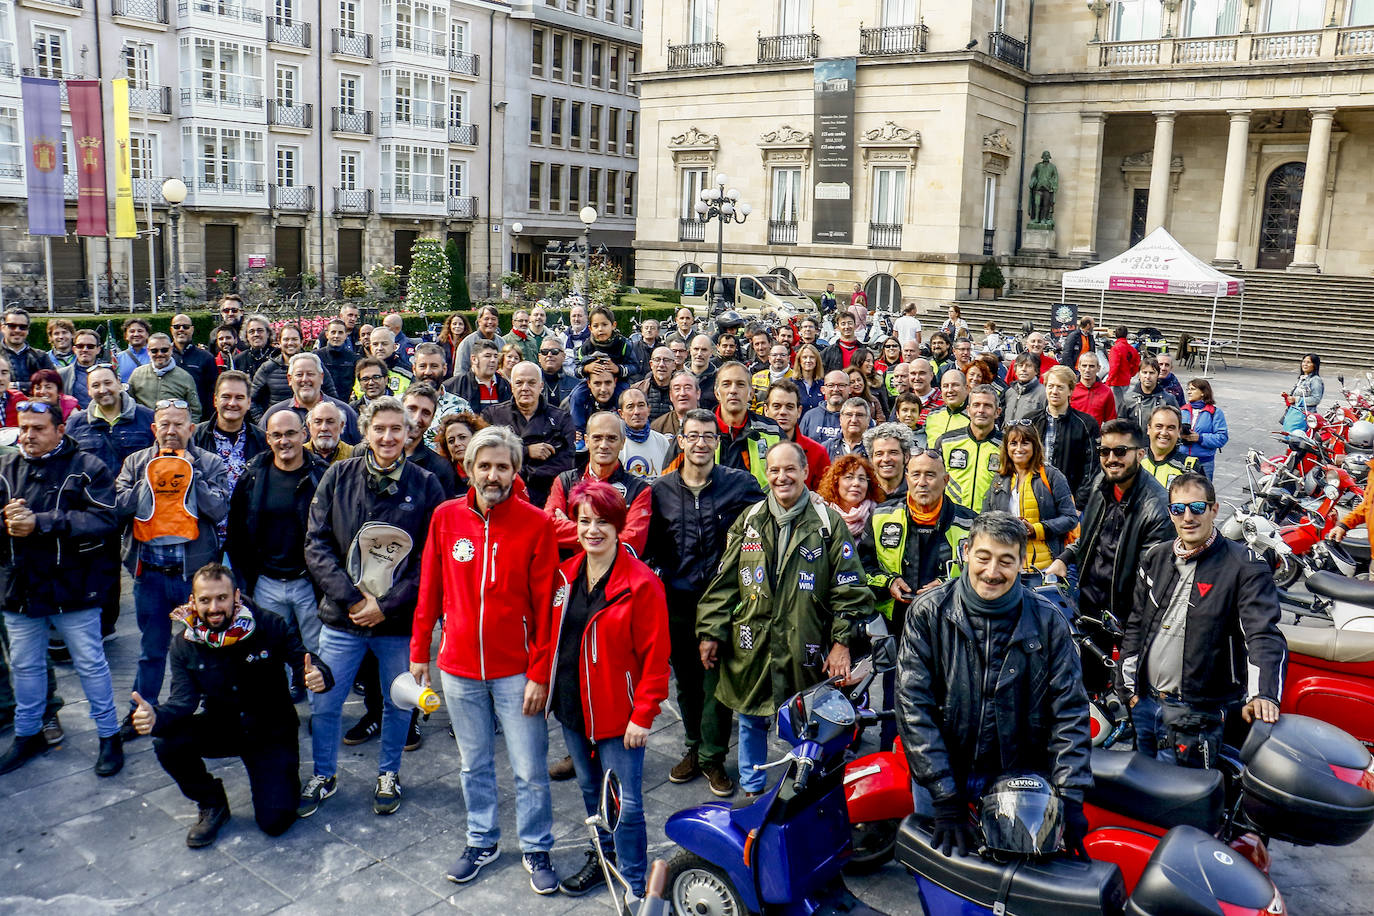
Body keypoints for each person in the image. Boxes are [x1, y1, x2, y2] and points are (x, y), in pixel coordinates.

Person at [408, 426, 560, 892]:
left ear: (515, 471)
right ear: (469, 469)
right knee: (473, 764)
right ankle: (482, 839)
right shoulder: (444, 517)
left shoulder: (537, 524)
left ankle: (536, 847)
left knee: (530, 767)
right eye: (484, 466)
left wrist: (539, 673)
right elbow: (429, 587)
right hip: (458, 669)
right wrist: (420, 653)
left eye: (502, 466)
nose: (493, 474)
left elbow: (546, 609)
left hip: (516, 671)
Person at [895, 512, 1092, 858]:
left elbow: (1070, 713)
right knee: (940, 880)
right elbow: (913, 706)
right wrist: (944, 794)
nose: (992, 572)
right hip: (942, 779)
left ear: (1022, 562)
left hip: (1016, 784)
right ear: (966, 552)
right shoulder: (928, 612)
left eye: (1005, 561)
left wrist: (1071, 796)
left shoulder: (1049, 620)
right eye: (983, 557)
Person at [698, 441, 872, 795]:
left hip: (804, 647)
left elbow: (850, 589)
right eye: (774, 470)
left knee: (806, 724)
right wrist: (710, 631)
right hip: (753, 647)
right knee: (750, 719)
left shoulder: (827, 523)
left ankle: (800, 791)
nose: (782, 477)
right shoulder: (750, 520)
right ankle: (752, 789)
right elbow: (725, 582)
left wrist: (841, 644)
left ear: (806, 472)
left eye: (790, 469)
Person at [300, 397, 444, 818]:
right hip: (341, 619)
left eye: (396, 429)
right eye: (379, 429)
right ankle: (324, 774)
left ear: (408, 433)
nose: (387, 437)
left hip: (396, 623)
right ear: (364, 432)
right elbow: (317, 543)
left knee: (398, 702)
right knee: (324, 702)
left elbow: (429, 559)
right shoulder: (338, 475)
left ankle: (389, 773)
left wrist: (386, 604)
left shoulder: (425, 483)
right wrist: (353, 599)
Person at [134, 563, 332, 847]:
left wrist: (317, 675)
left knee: (276, 822)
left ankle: (280, 777)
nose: (214, 607)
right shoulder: (184, 643)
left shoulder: (270, 624)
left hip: (270, 732)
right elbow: (182, 702)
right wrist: (156, 717)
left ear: (236, 597)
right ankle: (212, 802)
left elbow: (304, 661)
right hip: (222, 726)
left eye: (221, 598)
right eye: (205, 600)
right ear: (193, 601)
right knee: (167, 741)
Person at [546, 480, 670, 901]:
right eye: (584, 521)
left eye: (602, 522)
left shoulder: (641, 583)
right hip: (573, 706)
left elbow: (656, 658)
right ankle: (604, 859)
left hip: (620, 712)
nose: (592, 530)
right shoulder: (565, 574)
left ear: (619, 527)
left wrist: (644, 714)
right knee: (588, 790)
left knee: (627, 802)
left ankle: (634, 882)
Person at [1122, 473, 1287, 768]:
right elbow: (1136, 623)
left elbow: (1262, 633)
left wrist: (1264, 694)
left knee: (1183, 804)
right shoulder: (1156, 558)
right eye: (1178, 509)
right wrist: (1128, 688)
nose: (1188, 517)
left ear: (1214, 509)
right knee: (1141, 801)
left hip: (1197, 713)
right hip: (1146, 705)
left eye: (1197, 508)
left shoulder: (1245, 566)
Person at [0, 400, 123, 777]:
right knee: (25, 666)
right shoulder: (4, 467)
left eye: (38, 428)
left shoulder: (87, 467)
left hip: (74, 586)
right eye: (24, 428)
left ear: (60, 429)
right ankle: (28, 733)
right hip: (19, 588)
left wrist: (42, 522)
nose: (29, 435)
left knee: (90, 664)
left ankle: (109, 736)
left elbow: (106, 518)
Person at [645, 410, 762, 797]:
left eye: (707, 436)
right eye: (692, 435)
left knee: (718, 677)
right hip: (677, 597)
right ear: (680, 441)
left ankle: (713, 756)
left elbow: (765, 520)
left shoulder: (739, 485)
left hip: (724, 597)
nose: (700, 443)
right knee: (687, 678)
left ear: (717, 441)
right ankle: (693, 747)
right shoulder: (659, 490)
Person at [116, 398, 231, 738]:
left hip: (192, 579)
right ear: (154, 428)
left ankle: (214, 708)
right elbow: (118, 506)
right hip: (149, 575)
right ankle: (141, 709)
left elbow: (219, 509)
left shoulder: (208, 462)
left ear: (191, 428)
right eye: (164, 424)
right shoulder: (136, 462)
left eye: (178, 424)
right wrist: (153, 477)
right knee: (152, 649)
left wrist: (189, 474)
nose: (170, 431)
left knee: (207, 645)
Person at [860, 448, 976, 751]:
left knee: (946, 696)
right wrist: (888, 582)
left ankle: (943, 757)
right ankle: (891, 752)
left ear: (945, 480)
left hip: (951, 625)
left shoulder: (969, 523)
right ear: (907, 477)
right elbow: (862, 567)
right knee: (895, 693)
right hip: (896, 623)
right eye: (916, 474)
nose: (922, 482)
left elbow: (981, 574)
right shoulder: (883, 515)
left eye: (930, 475)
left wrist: (949, 583)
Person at [1045, 419, 1174, 625]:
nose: (1111, 459)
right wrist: (1064, 558)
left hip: (1126, 616)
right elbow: (1088, 537)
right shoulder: (1100, 483)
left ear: (1140, 454)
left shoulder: (1158, 509)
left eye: (1120, 451)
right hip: (1088, 603)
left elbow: (1151, 578)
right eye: (1104, 451)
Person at [227, 409, 329, 659]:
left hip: (309, 581)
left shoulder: (322, 475)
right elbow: (236, 532)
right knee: (270, 650)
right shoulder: (252, 476)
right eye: (277, 435)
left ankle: (317, 692)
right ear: (268, 439)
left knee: (317, 649)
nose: (284, 441)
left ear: (304, 434)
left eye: (291, 433)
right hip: (266, 581)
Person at [985, 425, 1078, 578]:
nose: (1019, 448)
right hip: (1007, 567)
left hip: (1046, 569)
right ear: (1006, 448)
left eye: (1025, 443)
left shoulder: (1052, 476)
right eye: (1013, 443)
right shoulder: (999, 479)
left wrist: (1036, 529)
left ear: (1035, 445)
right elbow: (986, 519)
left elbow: (1070, 518)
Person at [483, 361, 576, 507]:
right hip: (503, 497)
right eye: (519, 383)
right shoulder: (492, 416)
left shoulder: (561, 418)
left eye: (531, 383)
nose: (525, 388)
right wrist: (526, 451)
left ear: (541, 385)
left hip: (547, 498)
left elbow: (565, 464)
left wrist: (522, 471)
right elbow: (488, 456)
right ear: (512, 386)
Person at [191, 371, 269, 512]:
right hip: (205, 526)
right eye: (226, 397)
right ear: (215, 400)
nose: (232, 403)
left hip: (247, 526)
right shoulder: (194, 437)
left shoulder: (262, 440)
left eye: (239, 398)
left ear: (249, 402)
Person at [706, 361, 784, 490]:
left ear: (751, 393)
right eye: (726, 384)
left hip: (760, 508)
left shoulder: (772, 431)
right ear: (716, 393)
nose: (733, 390)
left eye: (740, 384)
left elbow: (790, 477)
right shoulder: (696, 432)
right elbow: (673, 482)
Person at [1029, 365, 1100, 505]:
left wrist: (1079, 503)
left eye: (1060, 387)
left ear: (1071, 391)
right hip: (1032, 496)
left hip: (1068, 500)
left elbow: (1092, 467)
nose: (1054, 391)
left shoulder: (1085, 424)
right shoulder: (1031, 421)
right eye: (1050, 386)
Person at [265, 352, 362, 445]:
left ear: (321, 377)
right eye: (299, 375)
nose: (305, 379)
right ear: (290, 379)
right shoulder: (275, 414)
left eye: (310, 374)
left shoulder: (344, 412)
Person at [935, 385, 1003, 513]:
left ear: (997, 412)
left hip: (991, 519)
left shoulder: (1007, 446)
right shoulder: (946, 441)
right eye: (976, 405)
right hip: (952, 517)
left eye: (987, 406)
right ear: (968, 410)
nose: (981, 410)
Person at [251, 325, 336, 421]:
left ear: (301, 342)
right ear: (279, 342)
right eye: (286, 339)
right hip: (281, 426)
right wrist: (263, 421)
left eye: (294, 339)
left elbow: (331, 395)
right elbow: (252, 399)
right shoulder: (268, 368)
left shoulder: (315, 365)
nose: (290, 343)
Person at [762, 378, 830, 488]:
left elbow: (827, 494)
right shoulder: (751, 447)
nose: (783, 412)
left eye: (789, 407)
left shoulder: (817, 453)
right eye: (776, 406)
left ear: (799, 411)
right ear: (766, 410)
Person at [398, 385, 459, 495]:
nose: (417, 418)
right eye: (411, 409)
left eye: (425, 413)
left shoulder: (440, 468)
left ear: (432, 419)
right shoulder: (367, 453)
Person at [127, 334, 202, 422]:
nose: (160, 354)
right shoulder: (137, 374)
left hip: (172, 431)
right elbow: (128, 404)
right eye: (154, 351)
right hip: (143, 431)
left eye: (164, 350)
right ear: (148, 351)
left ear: (171, 349)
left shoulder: (185, 377)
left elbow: (195, 411)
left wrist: (186, 431)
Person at [409, 343, 471, 449]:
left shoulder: (460, 406)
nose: (428, 372)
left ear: (445, 369)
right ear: (414, 369)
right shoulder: (398, 405)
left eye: (434, 366)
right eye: (422, 366)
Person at [818, 454, 885, 538]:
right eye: (849, 477)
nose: (856, 483)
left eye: (862, 479)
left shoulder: (879, 515)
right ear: (836, 482)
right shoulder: (823, 515)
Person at [446, 338, 512, 415]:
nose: (493, 360)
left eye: (495, 356)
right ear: (474, 359)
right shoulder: (455, 386)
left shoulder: (505, 386)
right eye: (487, 356)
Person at [618, 387, 672, 481]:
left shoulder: (662, 441)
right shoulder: (617, 444)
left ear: (648, 409)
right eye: (630, 407)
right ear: (621, 413)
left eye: (641, 405)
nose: (637, 412)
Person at [1179, 378, 1229, 480]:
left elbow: (1222, 437)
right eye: (1188, 389)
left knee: (1202, 493)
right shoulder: (1182, 410)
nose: (1189, 392)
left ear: (1202, 392)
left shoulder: (1215, 412)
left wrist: (1200, 438)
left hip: (1204, 462)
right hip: (1181, 460)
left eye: (1193, 389)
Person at [169, 315, 217, 416]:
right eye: (177, 327)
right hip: (170, 416)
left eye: (185, 327)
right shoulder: (164, 356)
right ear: (171, 329)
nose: (181, 330)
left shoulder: (206, 357)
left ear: (192, 329)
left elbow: (212, 392)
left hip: (199, 417)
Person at [434, 412, 488, 496]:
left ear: (476, 438)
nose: (457, 443)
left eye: (462, 437)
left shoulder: (491, 471)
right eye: (451, 441)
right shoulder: (444, 477)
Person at [1123, 354, 1179, 431]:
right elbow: (1120, 428)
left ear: (1158, 374)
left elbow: (1176, 426)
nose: (1148, 376)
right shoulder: (1127, 400)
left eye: (1152, 373)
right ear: (1139, 374)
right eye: (1144, 372)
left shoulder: (1168, 399)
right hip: (1134, 442)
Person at [1142, 404, 1193, 485]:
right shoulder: (1135, 461)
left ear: (1179, 431)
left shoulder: (1190, 467)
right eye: (1159, 426)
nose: (1164, 433)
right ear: (1149, 429)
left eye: (1170, 428)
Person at [864, 421, 916, 500]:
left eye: (893, 453)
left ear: (906, 457)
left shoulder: (917, 490)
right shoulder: (862, 491)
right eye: (879, 454)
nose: (886, 459)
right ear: (871, 459)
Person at [799, 370, 851, 443]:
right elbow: (799, 447)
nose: (835, 389)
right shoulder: (810, 416)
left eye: (841, 385)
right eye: (830, 385)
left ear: (850, 389)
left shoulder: (858, 417)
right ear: (823, 390)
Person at [362, 327, 415, 398]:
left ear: (394, 347)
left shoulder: (407, 373)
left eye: (384, 344)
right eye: (375, 344)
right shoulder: (362, 372)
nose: (379, 348)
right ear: (371, 347)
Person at [58, 328, 103, 410]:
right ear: (74, 349)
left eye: (90, 346)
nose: (85, 350)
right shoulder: (62, 375)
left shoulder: (108, 373)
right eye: (80, 346)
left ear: (98, 349)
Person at [924, 368, 970, 445]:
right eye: (945, 386)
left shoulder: (974, 418)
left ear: (966, 388)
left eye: (955, 385)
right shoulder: (932, 415)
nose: (950, 390)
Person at [650, 371, 700, 440]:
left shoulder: (709, 424)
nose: (682, 393)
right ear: (670, 395)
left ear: (698, 393)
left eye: (687, 388)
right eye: (677, 389)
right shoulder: (657, 427)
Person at [317, 318, 359, 397]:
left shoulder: (354, 358)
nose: (336, 336)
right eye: (333, 332)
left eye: (340, 333)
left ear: (345, 335)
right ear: (327, 335)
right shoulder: (316, 356)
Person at [1282, 353, 1324, 433]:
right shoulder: (1302, 378)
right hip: (1294, 413)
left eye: (1308, 362)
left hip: (1303, 416)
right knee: (1289, 437)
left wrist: (1296, 399)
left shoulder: (1315, 380)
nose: (1305, 364)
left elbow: (1316, 399)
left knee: (1296, 437)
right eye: (1304, 362)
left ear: (1314, 365)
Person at [1070, 352, 1115, 426]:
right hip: (1072, 434)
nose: (1087, 370)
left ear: (1098, 368)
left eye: (1091, 366)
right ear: (1078, 367)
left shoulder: (1106, 391)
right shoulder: (1070, 389)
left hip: (1095, 436)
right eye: (1084, 366)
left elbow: (1110, 420)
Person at [1003, 352, 1048, 424]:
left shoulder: (1044, 394)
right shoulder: (1009, 392)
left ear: (1036, 370)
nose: (1023, 369)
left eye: (1029, 366)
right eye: (1020, 366)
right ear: (1015, 370)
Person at [305, 400, 355, 465]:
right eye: (318, 422)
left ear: (341, 426)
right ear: (309, 426)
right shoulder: (299, 454)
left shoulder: (353, 454)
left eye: (330, 422)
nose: (324, 428)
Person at [633, 346, 675, 421]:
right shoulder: (637, 389)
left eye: (666, 360)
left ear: (674, 365)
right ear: (651, 364)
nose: (661, 364)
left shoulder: (680, 391)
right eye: (657, 360)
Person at [1105, 326, 1141, 413]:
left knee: (1117, 406)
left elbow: (1114, 367)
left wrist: (1108, 381)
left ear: (1116, 335)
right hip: (1126, 379)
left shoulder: (1116, 349)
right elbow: (1137, 363)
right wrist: (1130, 374)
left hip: (1116, 381)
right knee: (1123, 403)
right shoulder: (1132, 349)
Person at [750, 343, 793, 408]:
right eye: (774, 355)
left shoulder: (796, 378)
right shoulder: (756, 377)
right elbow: (751, 403)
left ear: (788, 358)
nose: (778, 358)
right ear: (769, 358)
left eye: (782, 355)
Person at [538, 338, 578, 406]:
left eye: (554, 351)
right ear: (539, 357)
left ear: (563, 356)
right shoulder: (532, 384)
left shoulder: (576, 385)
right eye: (544, 352)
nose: (549, 355)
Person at [239, 315, 279, 381]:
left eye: (260, 330)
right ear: (247, 336)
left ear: (268, 333)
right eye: (251, 331)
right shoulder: (239, 359)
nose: (256, 334)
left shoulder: (278, 355)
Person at [113, 317, 151, 384]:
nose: (136, 334)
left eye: (140, 331)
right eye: (132, 331)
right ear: (126, 336)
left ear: (147, 334)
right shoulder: (117, 358)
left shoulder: (155, 356)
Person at [793, 343, 826, 413]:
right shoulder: (790, 384)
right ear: (799, 361)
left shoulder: (824, 384)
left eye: (812, 357)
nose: (808, 360)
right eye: (804, 357)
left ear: (817, 361)